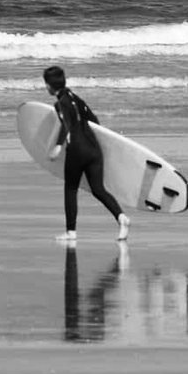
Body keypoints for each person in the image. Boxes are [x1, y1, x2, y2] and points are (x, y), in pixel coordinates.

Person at [43, 65, 129, 244]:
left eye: (46, 84)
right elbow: (94, 120)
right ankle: (121, 217)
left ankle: (71, 232)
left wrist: (58, 146)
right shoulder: (75, 98)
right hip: (93, 149)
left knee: (71, 189)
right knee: (98, 189)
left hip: (77, 151)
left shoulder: (60, 103)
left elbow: (66, 124)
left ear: (50, 86)